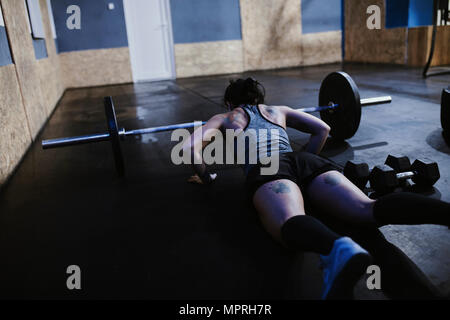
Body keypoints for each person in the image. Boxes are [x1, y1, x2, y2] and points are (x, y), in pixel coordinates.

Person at [183, 77, 450, 299]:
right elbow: (322, 128)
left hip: (268, 169)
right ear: (257, 99)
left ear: (230, 102)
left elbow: (189, 149)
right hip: (306, 161)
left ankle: (339, 251)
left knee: (290, 221)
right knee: (365, 209)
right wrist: (303, 166)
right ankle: (444, 213)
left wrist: (207, 178)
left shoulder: (224, 117)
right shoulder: (278, 110)